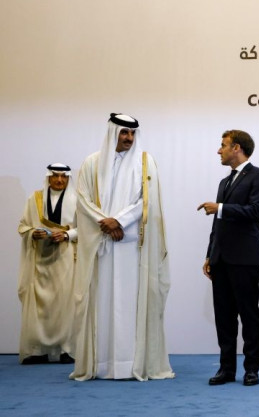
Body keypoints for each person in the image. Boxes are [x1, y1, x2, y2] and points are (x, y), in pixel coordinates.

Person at [71, 114, 174, 381]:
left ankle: (130, 364)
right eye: (123, 133)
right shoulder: (92, 163)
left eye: (132, 134)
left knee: (130, 305)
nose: (128, 138)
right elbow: (82, 199)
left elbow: (148, 200)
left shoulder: (145, 162)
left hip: (132, 248)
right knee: (102, 303)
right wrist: (103, 221)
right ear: (112, 133)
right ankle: (102, 364)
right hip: (101, 246)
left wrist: (120, 220)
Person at [198, 130, 259, 387]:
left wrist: (221, 208)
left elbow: (256, 211)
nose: (219, 150)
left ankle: (252, 369)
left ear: (237, 148)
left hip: (245, 257)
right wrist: (210, 253)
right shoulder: (224, 182)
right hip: (221, 258)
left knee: (249, 314)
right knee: (224, 317)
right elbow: (218, 225)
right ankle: (226, 369)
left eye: (223, 146)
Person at [17, 163, 78, 365]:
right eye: (55, 176)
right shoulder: (33, 199)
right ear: (48, 177)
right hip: (39, 260)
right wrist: (34, 233)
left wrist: (68, 234)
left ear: (69, 178)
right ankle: (37, 350)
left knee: (65, 304)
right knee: (39, 305)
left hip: (66, 259)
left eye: (63, 177)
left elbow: (86, 229)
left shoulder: (77, 199)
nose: (59, 180)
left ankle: (67, 350)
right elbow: (23, 225)